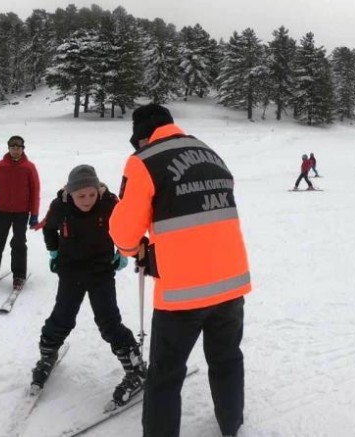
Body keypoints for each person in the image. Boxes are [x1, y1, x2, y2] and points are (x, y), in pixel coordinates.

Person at [110, 104, 251, 437]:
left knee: (165, 375)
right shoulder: (210, 153)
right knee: (227, 358)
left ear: (142, 138)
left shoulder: (144, 160)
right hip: (231, 283)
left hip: (182, 293)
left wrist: (133, 249)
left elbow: (124, 232)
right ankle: (231, 425)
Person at [30, 164, 147, 404]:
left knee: (108, 321)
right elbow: (49, 229)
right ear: (71, 192)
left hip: (101, 270)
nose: (87, 200)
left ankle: (135, 367)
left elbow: (124, 227)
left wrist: (122, 251)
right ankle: (47, 355)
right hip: (70, 270)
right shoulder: (60, 205)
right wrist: (54, 251)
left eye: (92, 194)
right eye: (81, 195)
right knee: (62, 317)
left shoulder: (109, 203)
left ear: (98, 190)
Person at [0, 135, 41, 290]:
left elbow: (35, 192)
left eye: (18, 148)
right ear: (8, 148)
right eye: (13, 147)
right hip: (3, 212)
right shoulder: (0, 166)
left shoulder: (29, 167)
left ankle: (19, 275)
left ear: (22, 149)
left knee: (19, 243)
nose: (15, 150)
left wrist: (34, 214)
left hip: (22, 213)